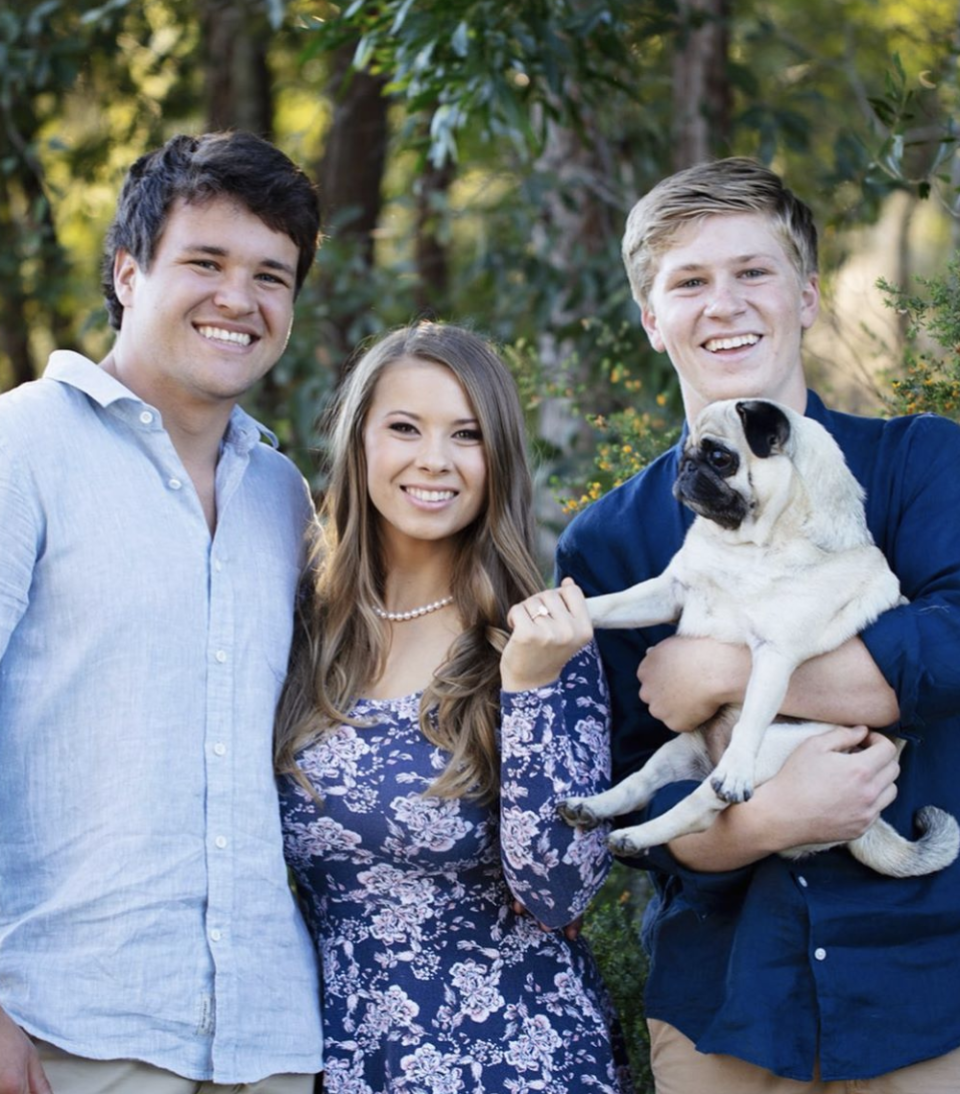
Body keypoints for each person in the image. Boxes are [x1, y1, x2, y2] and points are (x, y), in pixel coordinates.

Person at [556, 157, 960, 1092]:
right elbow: (631, 796)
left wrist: (723, 673)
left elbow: (953, 643)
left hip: (926, 992)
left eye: (754, 273)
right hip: (727, 1009)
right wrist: (771, 817)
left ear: (808, 296)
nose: (724, 304)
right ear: (653, 321)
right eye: (689, 282)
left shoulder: (919, 465)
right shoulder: (610, 541)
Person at [0, 131, 324, 1093]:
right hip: (70, 1031)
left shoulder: (284, 498)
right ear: (129, 272)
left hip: (269, 1042)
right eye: (207, 262)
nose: (241, 299)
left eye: (273, 275)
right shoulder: (23, 447)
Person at [275, 321, 631, 1094]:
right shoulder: (305, 627)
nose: (433, 459)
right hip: (347, 1063)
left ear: (496, 458)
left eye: (465, 434)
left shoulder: (539, 638)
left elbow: (561, 892)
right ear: (358, 441)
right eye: (405, 427)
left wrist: (530, 689)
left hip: (518, 1062)